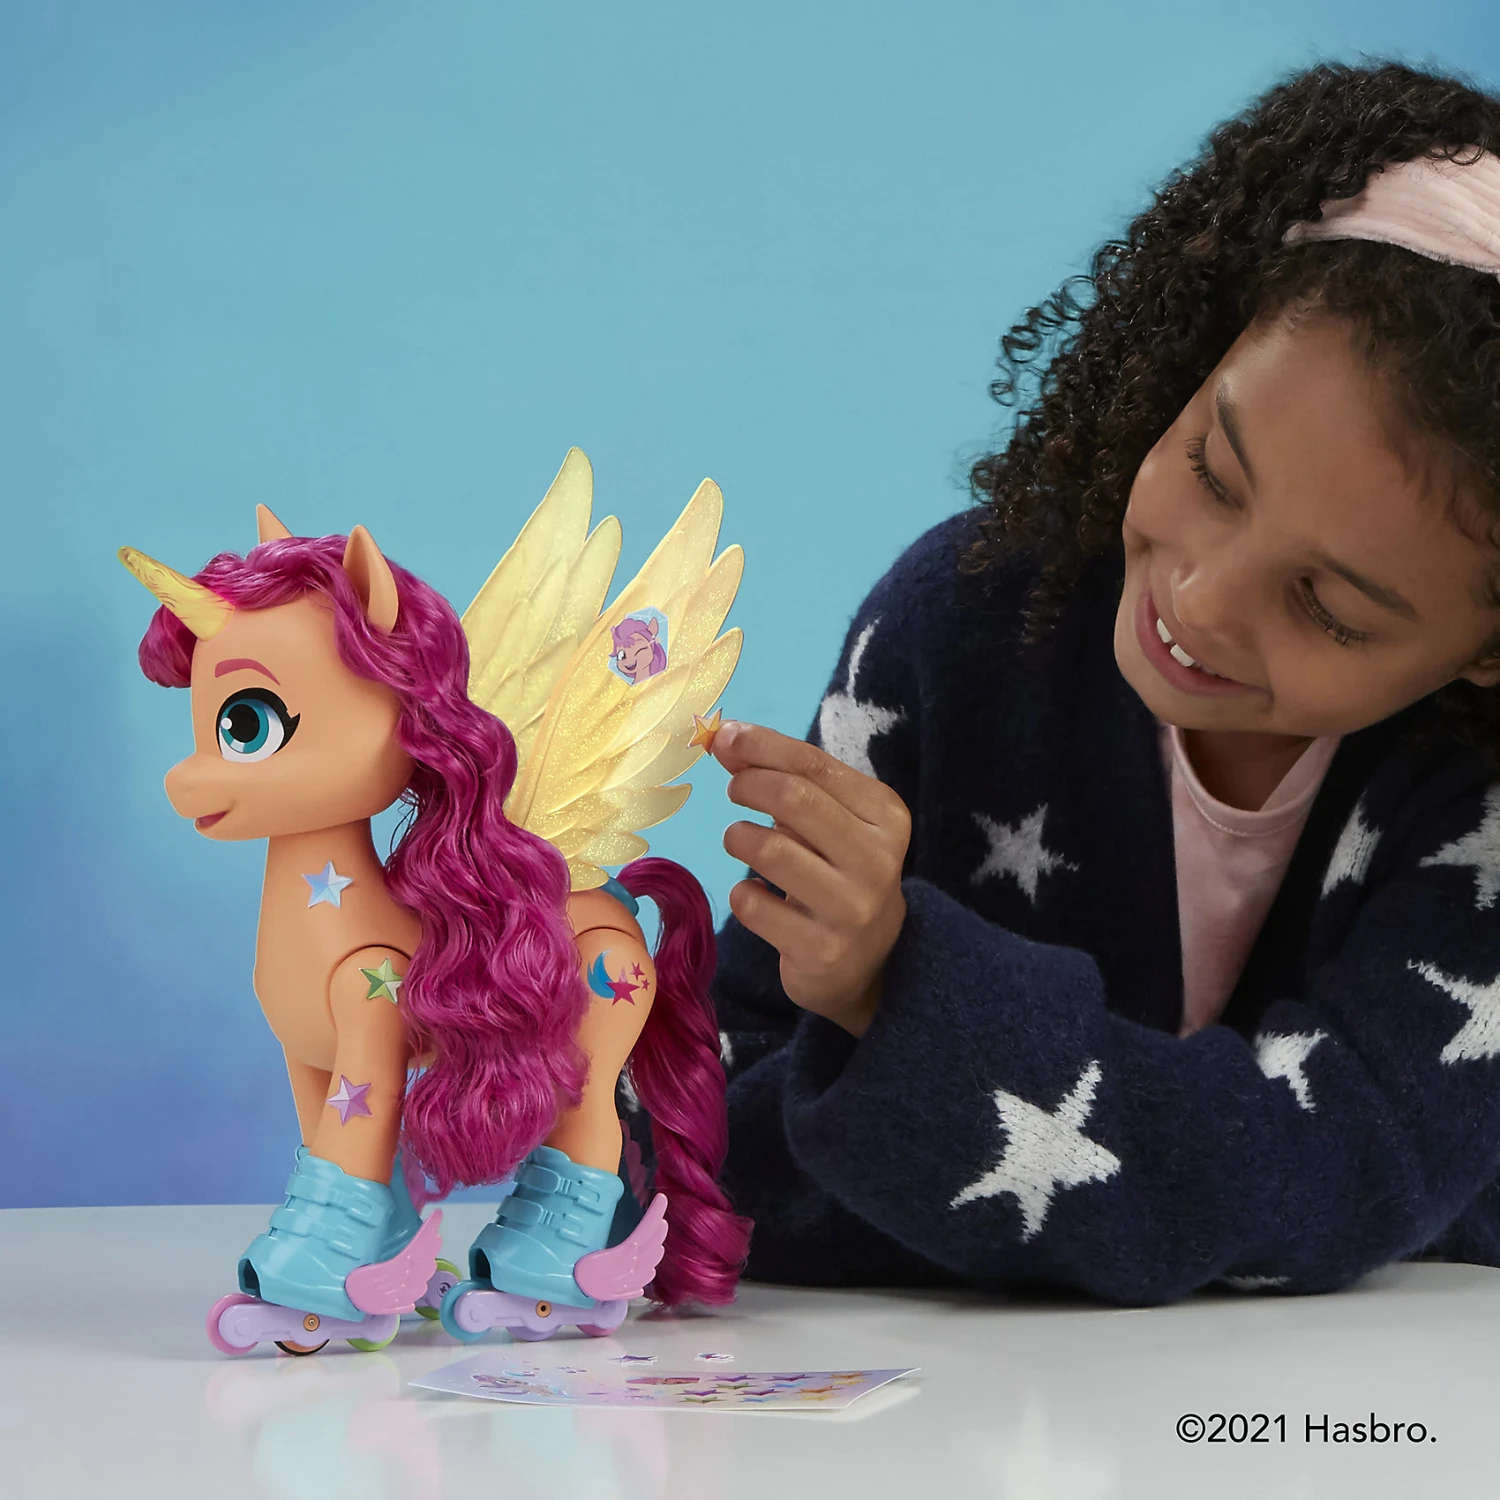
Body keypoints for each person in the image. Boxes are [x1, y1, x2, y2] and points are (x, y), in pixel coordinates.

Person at [708, 61, 1500, 1304]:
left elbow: (1348, 1171)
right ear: (1204, 346)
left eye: (1329, 609)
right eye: (1214, 471)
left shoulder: (1479, 814)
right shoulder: (963, 619)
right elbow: (721, 1125)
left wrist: (894, 992)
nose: (1203, 599)